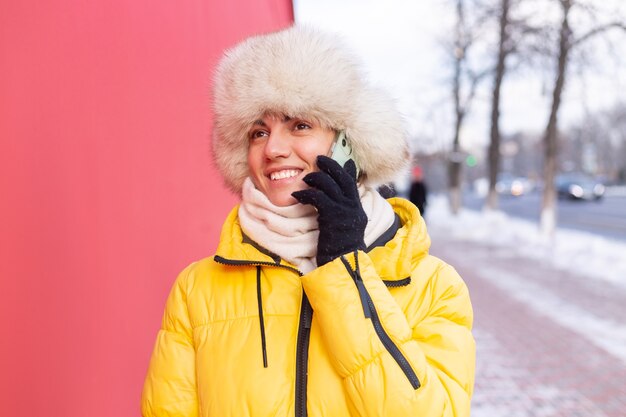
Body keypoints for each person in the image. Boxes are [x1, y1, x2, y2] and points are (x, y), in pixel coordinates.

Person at [141, 26, 475, 417]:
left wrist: (345, 271)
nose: (274, 149)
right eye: (258, 132)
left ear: (349, 143)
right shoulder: (196, 289)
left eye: (300, 125)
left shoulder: (434, 286)